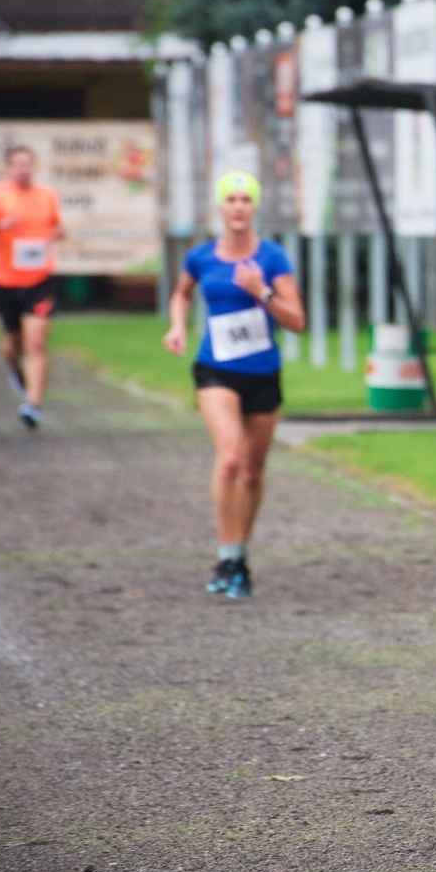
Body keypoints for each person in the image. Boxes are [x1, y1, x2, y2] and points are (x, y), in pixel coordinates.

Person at [162, 171, 304, 600]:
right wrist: (177, 326)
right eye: (231, 199)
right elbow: (182, 293)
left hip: (262, 374)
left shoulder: (273, 259)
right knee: (230, 459)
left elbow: (297, 321)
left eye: (246, 199)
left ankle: (239, 556)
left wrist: (261, 291)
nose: (238, 206)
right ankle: (226, 555)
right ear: (220, 208)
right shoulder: (202, 257)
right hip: (215, 370)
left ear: (255, 207)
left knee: (253, 472)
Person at [0, 145, 66, 431]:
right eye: (18, 165)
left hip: (40, 281)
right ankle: (15, 369)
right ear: (8, 168)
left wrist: (58, 233)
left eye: (28, 164)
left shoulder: (47, 196)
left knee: (36, 342)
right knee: (13, 345)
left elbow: (58, 228)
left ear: (34, 167)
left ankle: (33, 405)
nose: (23, 170)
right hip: (6, 282)